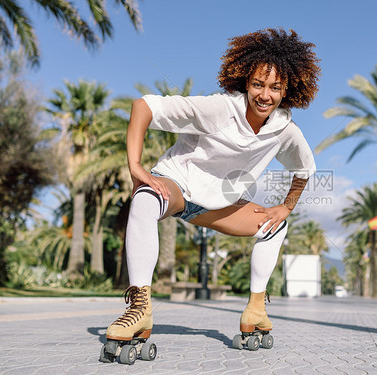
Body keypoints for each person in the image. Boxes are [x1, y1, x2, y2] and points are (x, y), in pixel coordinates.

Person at [104, 28, 321, 348]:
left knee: (275, 226)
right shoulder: (219, 109)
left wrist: (285, 206)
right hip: (177, 186)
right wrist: (135, 166)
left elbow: (304, 169)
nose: (265, 95)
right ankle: (140, 309)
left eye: (275, 88)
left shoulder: (285, 130)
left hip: (217, 206)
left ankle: (256, 310)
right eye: (258, 84)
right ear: (246, 82)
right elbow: (144, 107)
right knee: (145, 199)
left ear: (287, 90)